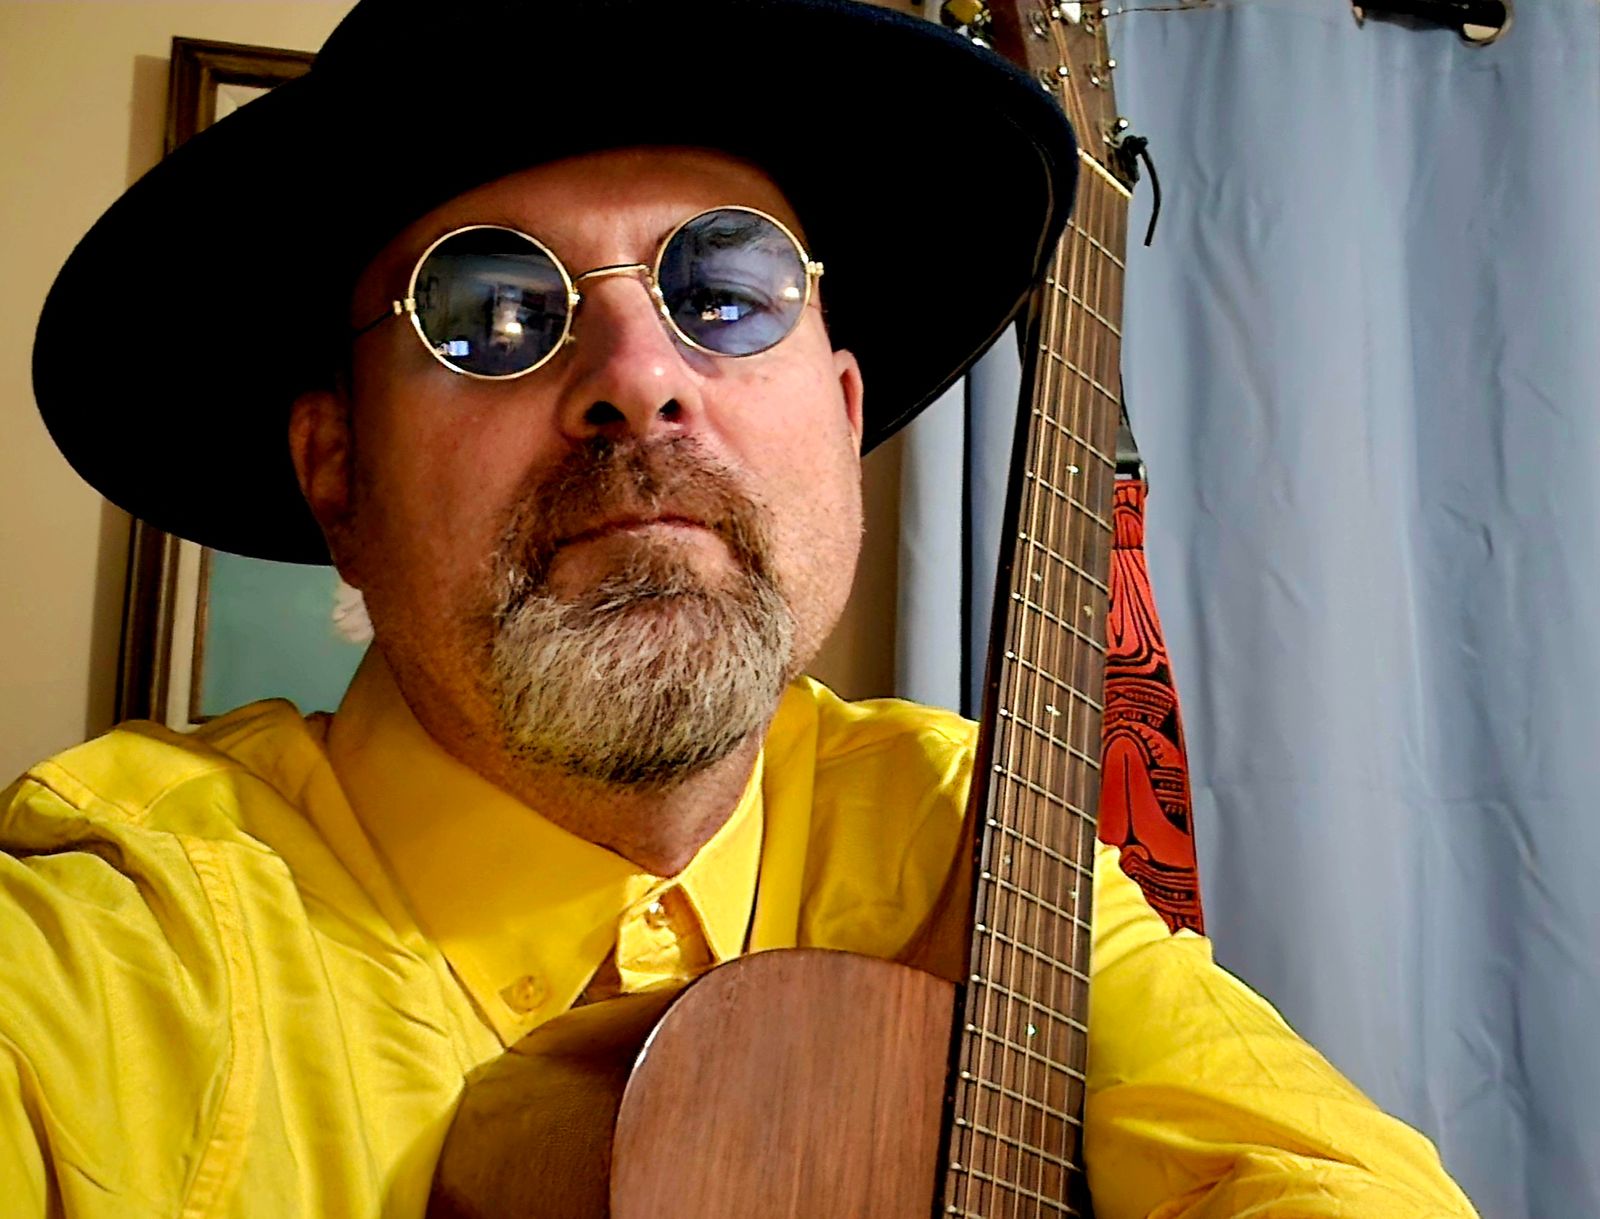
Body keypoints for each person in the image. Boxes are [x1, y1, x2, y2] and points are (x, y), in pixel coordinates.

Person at [9, 1, 1480, 1215]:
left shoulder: (964, 832)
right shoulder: (110, 950)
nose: (639, 376)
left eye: (726, 290)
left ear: (840, 415)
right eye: (490, 313)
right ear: (338, 470)